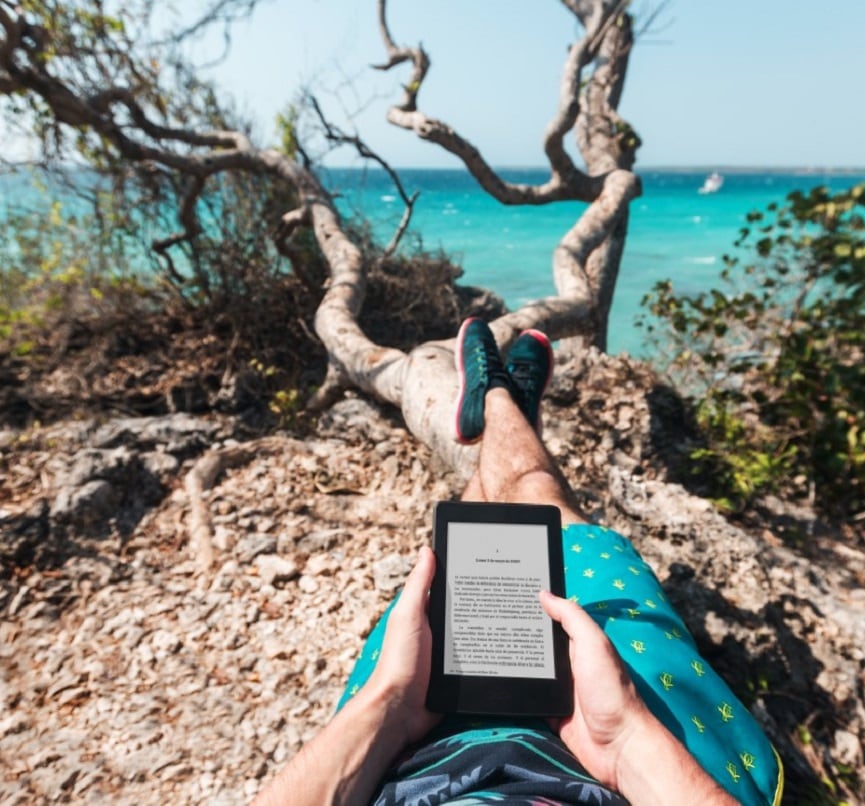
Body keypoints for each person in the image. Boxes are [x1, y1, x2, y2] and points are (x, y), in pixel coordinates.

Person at [253, 318, 783, 805]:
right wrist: (623, 737)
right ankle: (505, 403)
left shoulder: (399, 708)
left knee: (469, 539)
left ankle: (492, 406)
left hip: (405, 746)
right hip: (608, 755)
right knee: (540, 495)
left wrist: (391, 703)